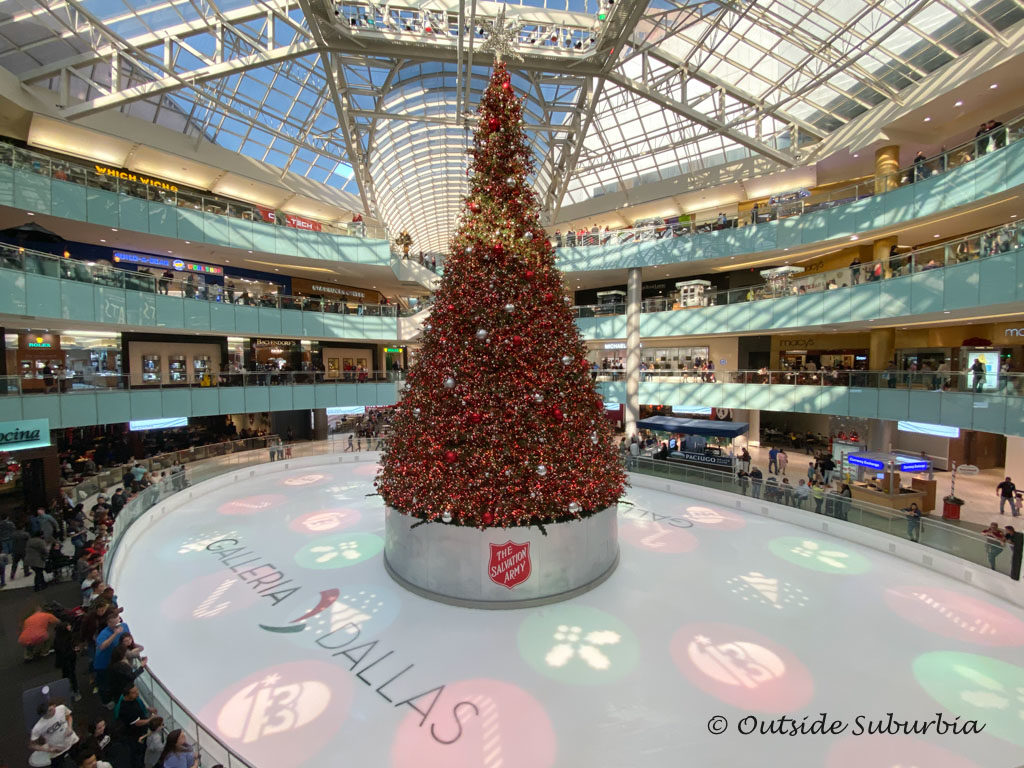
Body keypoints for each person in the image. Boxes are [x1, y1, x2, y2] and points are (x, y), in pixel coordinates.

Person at [30, 698, 79, 768]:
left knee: (79, 760)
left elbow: (69, 716)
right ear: (44, 714)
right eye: (50, 710)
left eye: (54, 707)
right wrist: (47, 749)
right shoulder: (38, 727)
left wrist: (70, 727)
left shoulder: (61, 708)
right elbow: (32, 745)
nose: (54, 710)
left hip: (72, 741)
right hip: (57, 750)